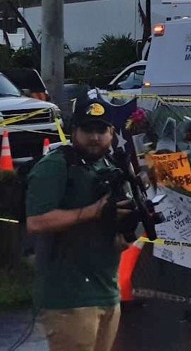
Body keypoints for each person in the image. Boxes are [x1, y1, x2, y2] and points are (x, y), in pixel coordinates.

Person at [26, 96, 134, 351]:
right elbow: (36, 222)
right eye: (87, 129)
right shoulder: (56, 166)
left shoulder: (112, 167)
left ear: (112, 132)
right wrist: (94, 211)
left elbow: (122, 235)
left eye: (101, 130)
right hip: (68, 297)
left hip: (107, 290)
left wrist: (130, 227)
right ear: (74, 131)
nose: (95, 137)